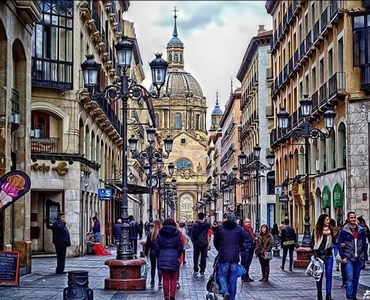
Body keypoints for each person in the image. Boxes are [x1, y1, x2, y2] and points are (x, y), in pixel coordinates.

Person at [214, 212, 244, 300]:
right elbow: (241, 241)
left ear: (226, 218)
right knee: (233, 279)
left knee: (222, 275)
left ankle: (225, 291)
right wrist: (237, 249)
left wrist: (220, 249)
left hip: (223, 256)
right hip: (234, 257)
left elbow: (216, 242)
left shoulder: (220, 228)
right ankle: (232, 298)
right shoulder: (238, 228)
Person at [337, 211, 367, 300]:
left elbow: (364, 244)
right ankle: (349, 296)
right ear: (348, 219)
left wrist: (364, 257)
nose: (353, 219)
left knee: (356, 277)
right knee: (349, 277)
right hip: (349, 257)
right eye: (351, 218)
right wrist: (343, 257)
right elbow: (339, 243)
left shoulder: (361, 230)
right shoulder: (344, 231)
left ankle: (354, 295)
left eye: (354, 217)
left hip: (359, 257)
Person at [154, 218, 183, 300]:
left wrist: (159, 254)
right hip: (174, 256)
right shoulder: (176, 233)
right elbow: (180, 246)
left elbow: (156, 246)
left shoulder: (161, 233)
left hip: (163, 255)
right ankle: (172, 295)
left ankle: (166, 296)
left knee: (165, 278)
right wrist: (177, 255)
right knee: (174, 277)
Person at [311, 213, 335, 300]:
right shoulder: (316, 230)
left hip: (328, 255)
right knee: (319, 276)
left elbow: (334, 241)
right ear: (322, 221)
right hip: (319, 256)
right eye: (327, 220)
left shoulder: (330, 230)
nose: (328, 221)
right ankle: (319, 294)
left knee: (329, 275)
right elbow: (313, 243)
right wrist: (315, 255)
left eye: (328, 220)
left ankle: (328, 295)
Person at [191, 212, 210, 276]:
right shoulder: (207, 224)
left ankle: (196, 270)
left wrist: (193, 241)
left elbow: (192, 234)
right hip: (204, 243)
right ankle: (202, 270)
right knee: (203, 257)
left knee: (196, 257)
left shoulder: (195, 225)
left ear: (198, 217)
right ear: (204, 217)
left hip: (196, 243)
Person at [145, 219, 163, 289]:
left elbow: (147, 244)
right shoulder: (162, 233)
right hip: (160, 252)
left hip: (152, 252)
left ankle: (152, 281)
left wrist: (146, 252)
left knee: (153, 267)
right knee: (159, 267)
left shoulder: (151, 233)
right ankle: (159, 282)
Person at [240, 218, 256, 282]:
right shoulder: (242, 230)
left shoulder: (250, 229)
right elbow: (241, 239)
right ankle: (243, 277)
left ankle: (247, 276)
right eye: (247, 222)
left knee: (248, 264)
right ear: (244, 223)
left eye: (249, 222)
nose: (249, 223)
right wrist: (245, 247)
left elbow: (252, 237)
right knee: (244, 263)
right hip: (245, 249)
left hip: (251, 248)